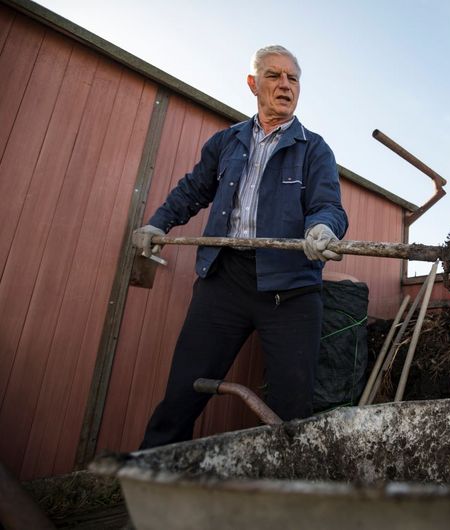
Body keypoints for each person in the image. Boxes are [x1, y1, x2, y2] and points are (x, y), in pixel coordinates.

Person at [132, 45, 348, 449]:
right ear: (253, 84)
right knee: (183, 390)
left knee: (292, 408)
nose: (285, 85)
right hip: (225, 280)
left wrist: (321, 228)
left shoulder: (314, 149)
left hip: (292, 287)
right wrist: (156, 224)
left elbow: (328, 205)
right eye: (274, 76)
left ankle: (284, 495)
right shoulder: (226, 142)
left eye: (293, 78)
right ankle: (152, 475)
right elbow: (192, 191)